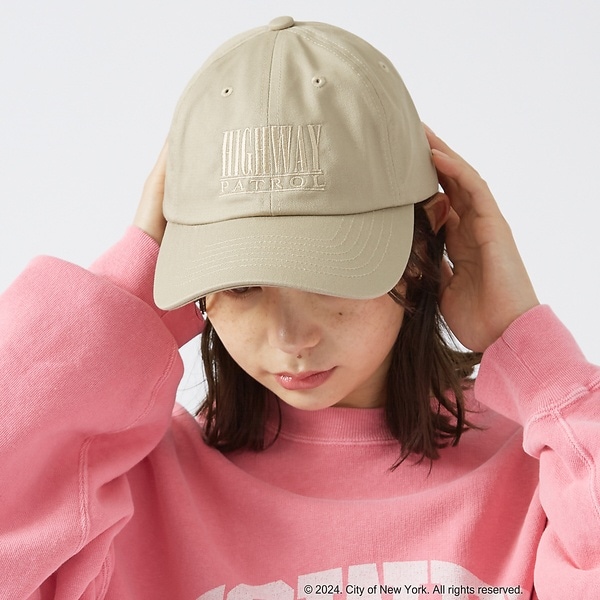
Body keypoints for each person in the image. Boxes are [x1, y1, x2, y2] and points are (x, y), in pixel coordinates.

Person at [1, 16, 598, 600]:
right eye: (240, 286)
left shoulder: (551, 475)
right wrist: (130, 298)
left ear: (423, 246)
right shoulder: (119, 499)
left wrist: (533, 353)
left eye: (332, 276)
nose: (290, 337)